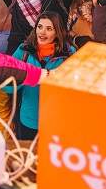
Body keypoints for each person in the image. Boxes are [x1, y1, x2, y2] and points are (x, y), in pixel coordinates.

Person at [7, 11, 74, 139]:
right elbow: (7, 86)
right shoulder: (23, 51)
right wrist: (25, 76)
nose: (42, 32)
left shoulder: (69, 54)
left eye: (49, 29)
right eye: (40, 27)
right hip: (29, 120)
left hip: (56, 121)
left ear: (57, 32)